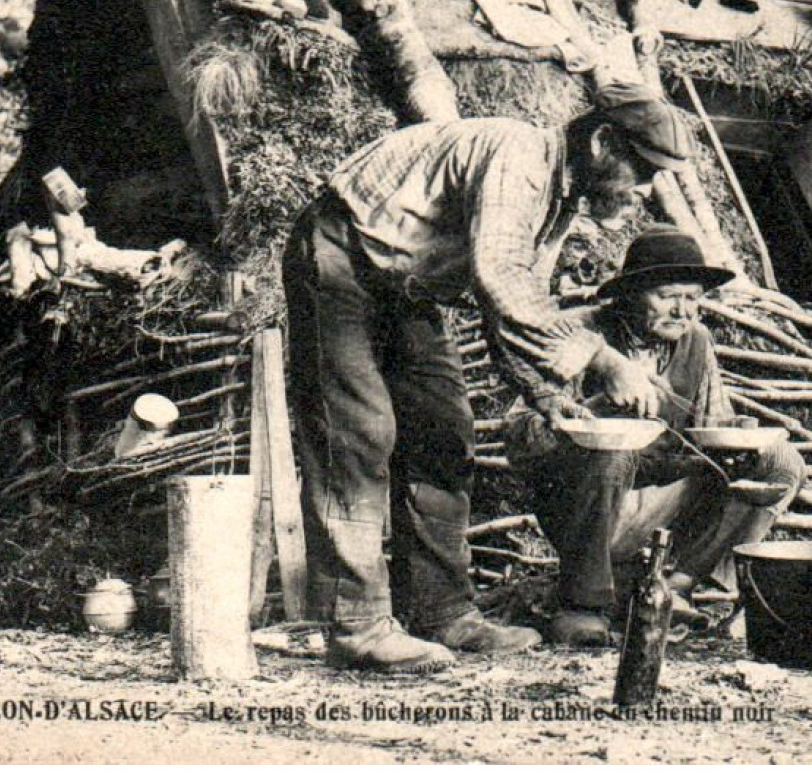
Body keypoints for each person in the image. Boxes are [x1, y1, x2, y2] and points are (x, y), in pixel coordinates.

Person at [283, 102, 696, 673]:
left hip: (410, 288)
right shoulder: (520, 155)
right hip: (341, 253)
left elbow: (513, 306)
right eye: (643, 171)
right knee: (357, 436)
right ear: (602, 143)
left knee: (444, 434)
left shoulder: (558, 204)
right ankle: (356, 626)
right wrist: (603, 359)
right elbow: (499, 276)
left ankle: (442, 614)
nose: (645, 191)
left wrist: (546, 395)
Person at [503, 227, 804, 647]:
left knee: (779, 461)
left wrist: (739, 435)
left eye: (693, 298)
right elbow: (521, 436)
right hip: (582, 505)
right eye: (668, 296)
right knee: (615, 450)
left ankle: (675, 586)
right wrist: (595, 413)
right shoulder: (581, 334)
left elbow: (712, 426)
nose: (684, 311)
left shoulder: (696, 342)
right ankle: (582, 605)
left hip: (663, 498)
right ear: (630, 293)